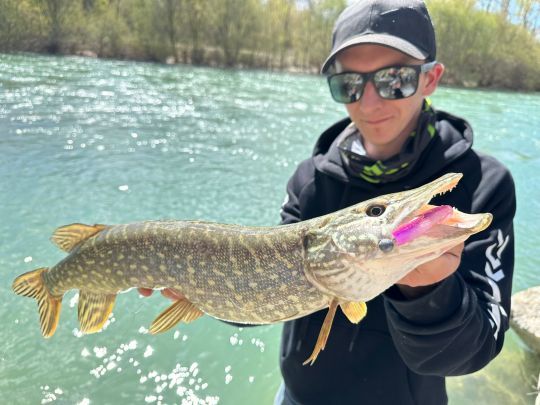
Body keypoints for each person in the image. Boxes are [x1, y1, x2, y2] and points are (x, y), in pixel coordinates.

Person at [142, 1, 516, 403]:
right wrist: (204, 288)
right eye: (349, 85)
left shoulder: (481, 187)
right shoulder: (310, 180)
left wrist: (427, 293)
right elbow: (262, 293)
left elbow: (476, 349)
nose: (369, 103)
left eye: (394, 79)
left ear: (430, 79)